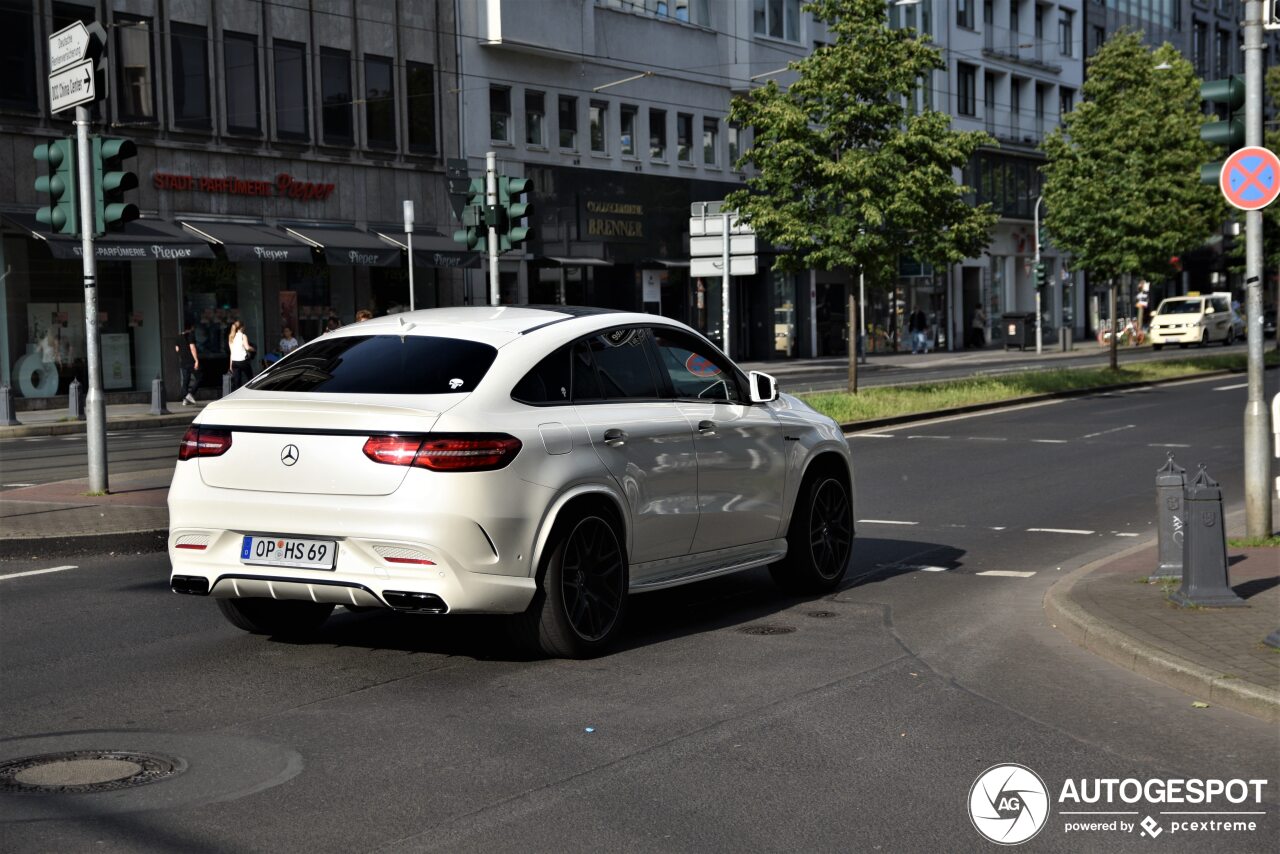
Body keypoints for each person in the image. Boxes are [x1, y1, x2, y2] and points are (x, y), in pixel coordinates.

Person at [174, 320, 201, 405]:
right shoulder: (190, 336)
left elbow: (177, 349)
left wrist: (182, 354)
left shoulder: (178, 337)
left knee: (186, 380)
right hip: (191, 361)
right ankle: (191, 394)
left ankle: (185, 399)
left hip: (183, 362)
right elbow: (192, 348)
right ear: (191, 328)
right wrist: (196, 360)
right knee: (200, 377)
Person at [228, 320, 255, 390]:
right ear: (242, 327)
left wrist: (230, 365)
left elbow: (232, 352)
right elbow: (247, 347)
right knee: (251, 378)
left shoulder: (231, 337)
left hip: (234, 361)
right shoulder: (243, 336)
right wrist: (253, 349)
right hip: (242, 360)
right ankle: (252, 393)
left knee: (237, 382)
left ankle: (238, 396)